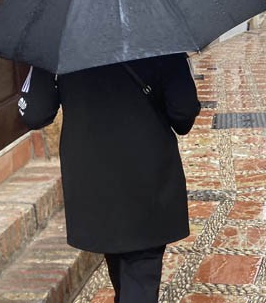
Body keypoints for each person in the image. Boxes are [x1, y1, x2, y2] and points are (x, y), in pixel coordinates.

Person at [18, 53, 201, 302]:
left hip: (93, 182)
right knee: (139, 276)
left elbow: (35, 112)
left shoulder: (60, 41)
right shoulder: (157, 34)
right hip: (148, 179)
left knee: (120, 265)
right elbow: (183, 112)